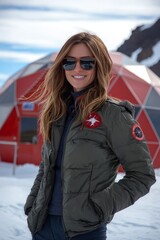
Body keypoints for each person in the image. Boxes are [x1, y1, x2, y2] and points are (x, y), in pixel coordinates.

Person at [24, 32, 156, 240]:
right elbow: (46, 166)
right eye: (69, 62)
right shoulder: (56, 111)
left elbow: (142, 175)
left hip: (85, 231)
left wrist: (99, 206)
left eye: (87, 63)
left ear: (100, 66)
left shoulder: (114, 115)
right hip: (43, 227)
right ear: (62, 66)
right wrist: (32, 204)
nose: (77, 69)